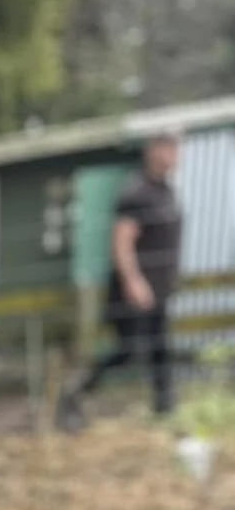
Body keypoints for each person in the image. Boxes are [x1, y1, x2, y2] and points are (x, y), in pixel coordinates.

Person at [60, 134, 182, 427]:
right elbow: (122, 241)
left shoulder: (165, 191)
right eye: (171, 149)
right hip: (135, 289)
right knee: (128, 351)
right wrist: (134, 281)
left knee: (160, 349)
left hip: (160, 288)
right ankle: (76, 391)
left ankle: (165, 411)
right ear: (154, 151)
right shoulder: (136, 192)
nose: (177, 156)